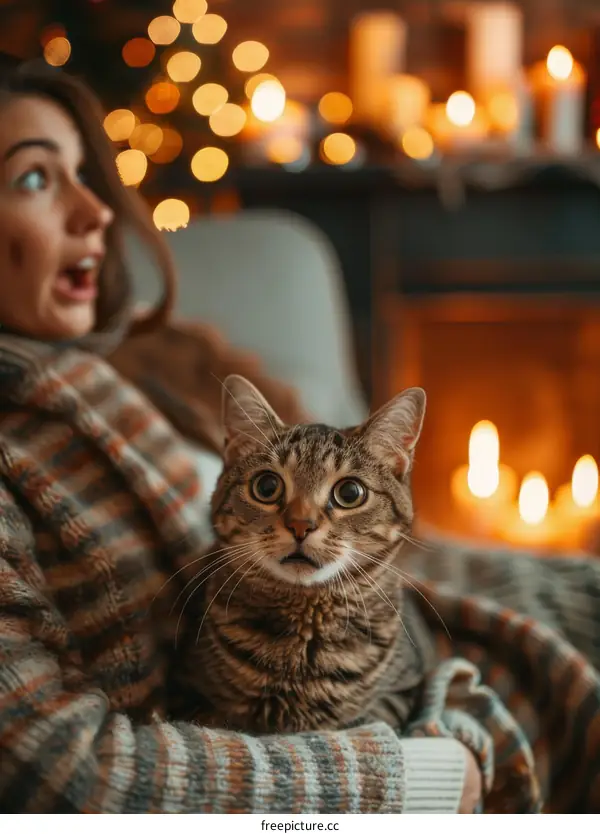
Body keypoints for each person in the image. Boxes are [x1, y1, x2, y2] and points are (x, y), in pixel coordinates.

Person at [0, 58, 484, 813]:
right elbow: (64, 771)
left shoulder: (137, 359)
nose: (97, 212)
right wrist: (425, 775)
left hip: (447, 652)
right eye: (33, 177)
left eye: (85, 174)